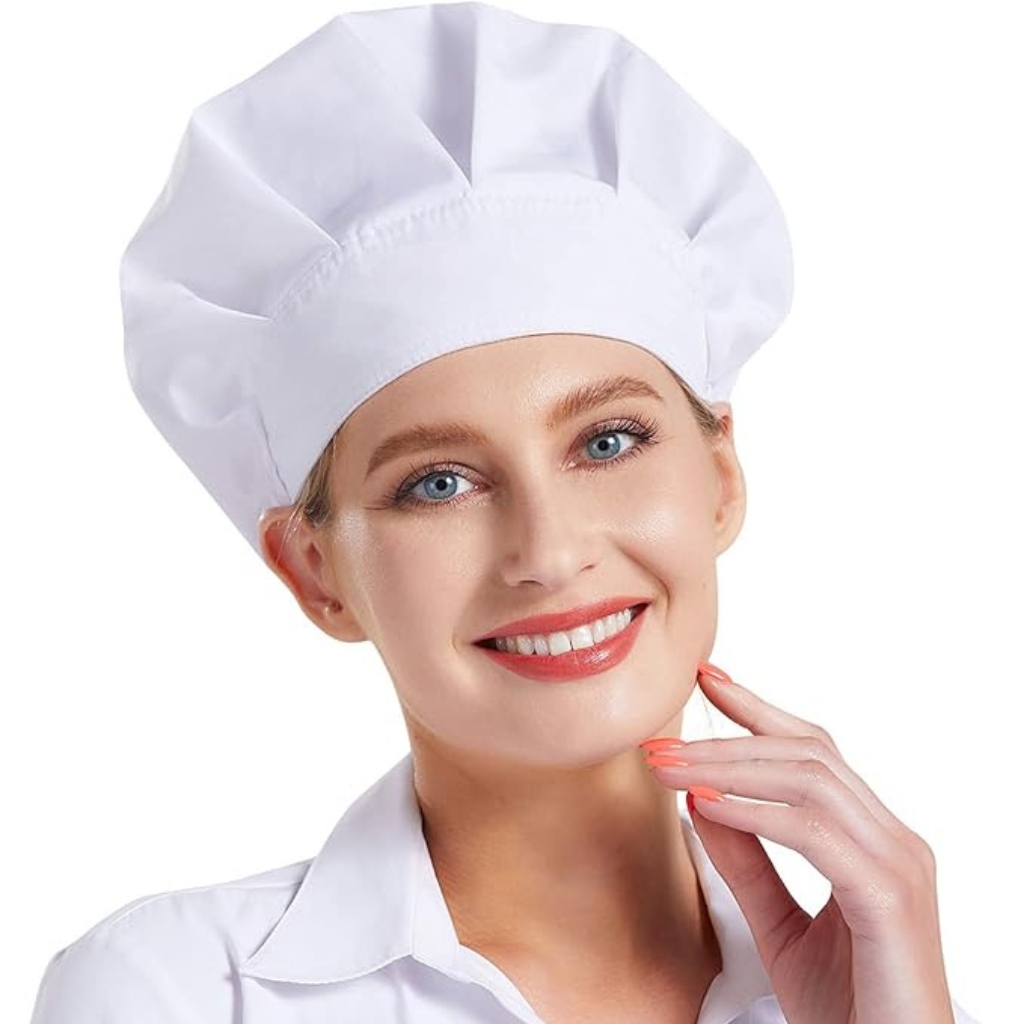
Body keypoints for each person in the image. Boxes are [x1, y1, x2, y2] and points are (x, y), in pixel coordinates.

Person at [29, 3, 982, 1023]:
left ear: (720, 478)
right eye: (438, 482)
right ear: (314, 571)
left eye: (608, 442)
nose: (550, 551)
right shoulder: (175, 992)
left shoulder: (874, 991)